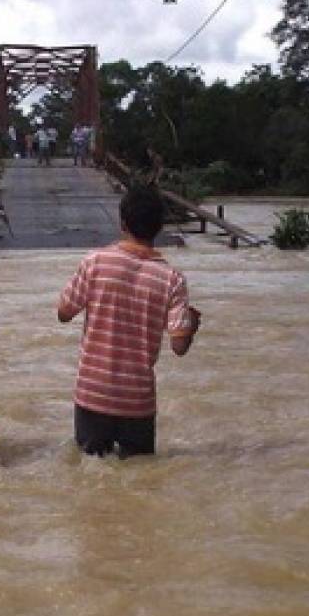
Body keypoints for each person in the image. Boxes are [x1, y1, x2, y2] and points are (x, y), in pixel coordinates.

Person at [56, 186, 201, 458]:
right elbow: (179, 345)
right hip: (137, 401)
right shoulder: (172, 279)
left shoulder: (94, 262)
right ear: (159, 227)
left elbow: (64, 313)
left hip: (93, 394)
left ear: (122, 222)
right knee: (140, 484)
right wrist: (191, 323)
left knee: (90, 480)